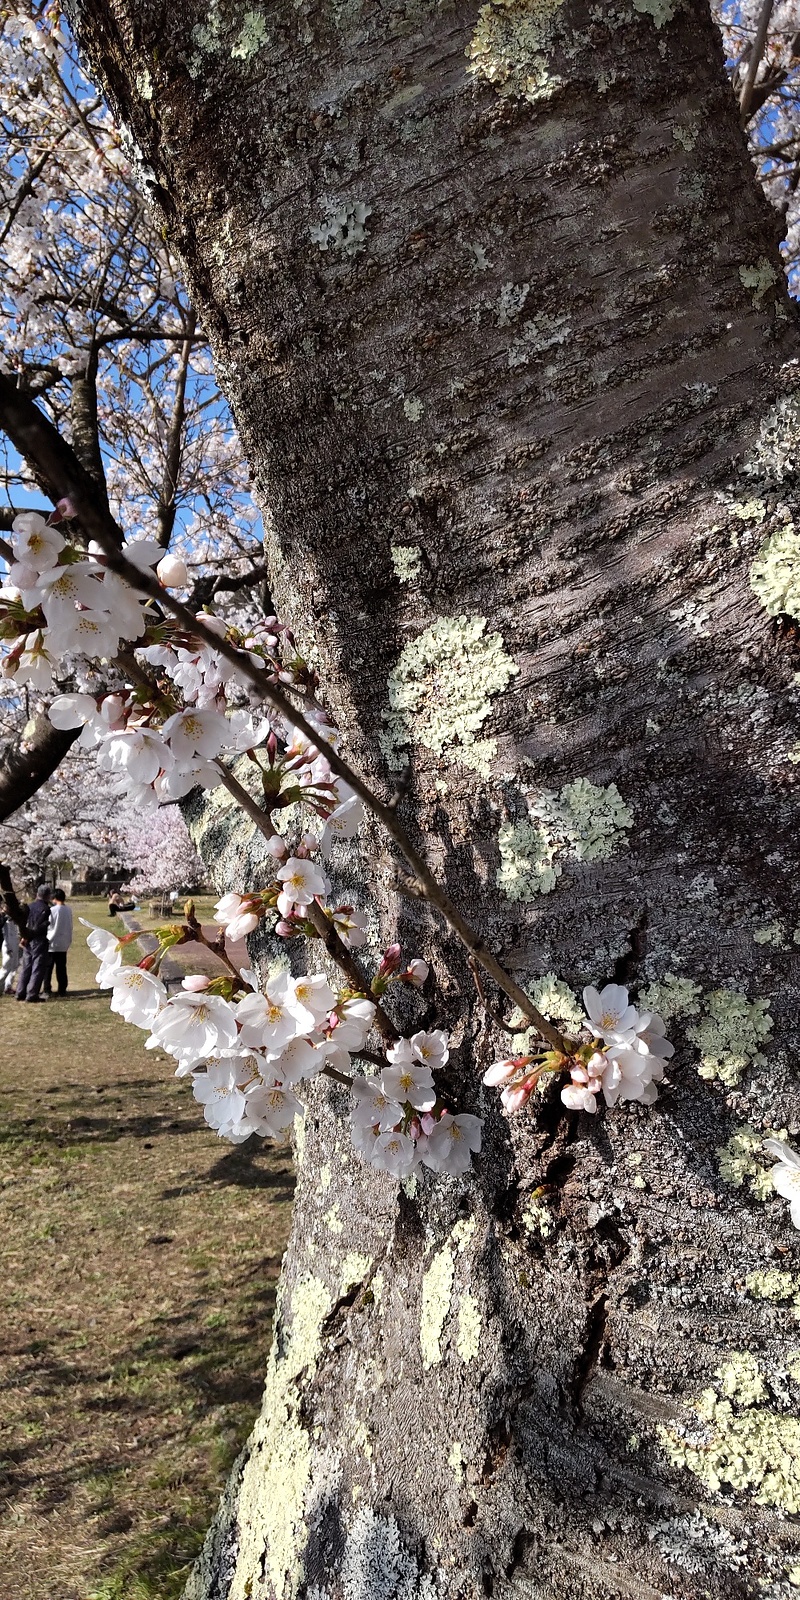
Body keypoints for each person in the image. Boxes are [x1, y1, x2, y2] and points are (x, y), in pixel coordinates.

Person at [15, 883, 52, 1002]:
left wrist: (24, 936)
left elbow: (23, 922)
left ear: (37, 894)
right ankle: (32, 994)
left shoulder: (30, 906)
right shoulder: (45, 909)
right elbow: (39, 925)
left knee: (26, 966)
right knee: (37, 967)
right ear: (47, 896)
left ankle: (20, 992)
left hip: (27, 938)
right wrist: (45, 925)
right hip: (38, 939)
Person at [44, 888, 73, 997]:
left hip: (51, 942)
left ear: (54, 898)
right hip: (63, 942)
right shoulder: (68, 910)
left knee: (48, 968)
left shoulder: (52, 910)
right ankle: (62, 989)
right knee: (61, 968)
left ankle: (47, 988)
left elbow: (49, 925)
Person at [0, 897, 21, 994]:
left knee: (14, 966)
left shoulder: (14, 918)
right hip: (8, 945)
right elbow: (5, 935)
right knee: (6, 967)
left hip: (15, 943)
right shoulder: (4, 919)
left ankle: (7, 986)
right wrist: (8, 948)